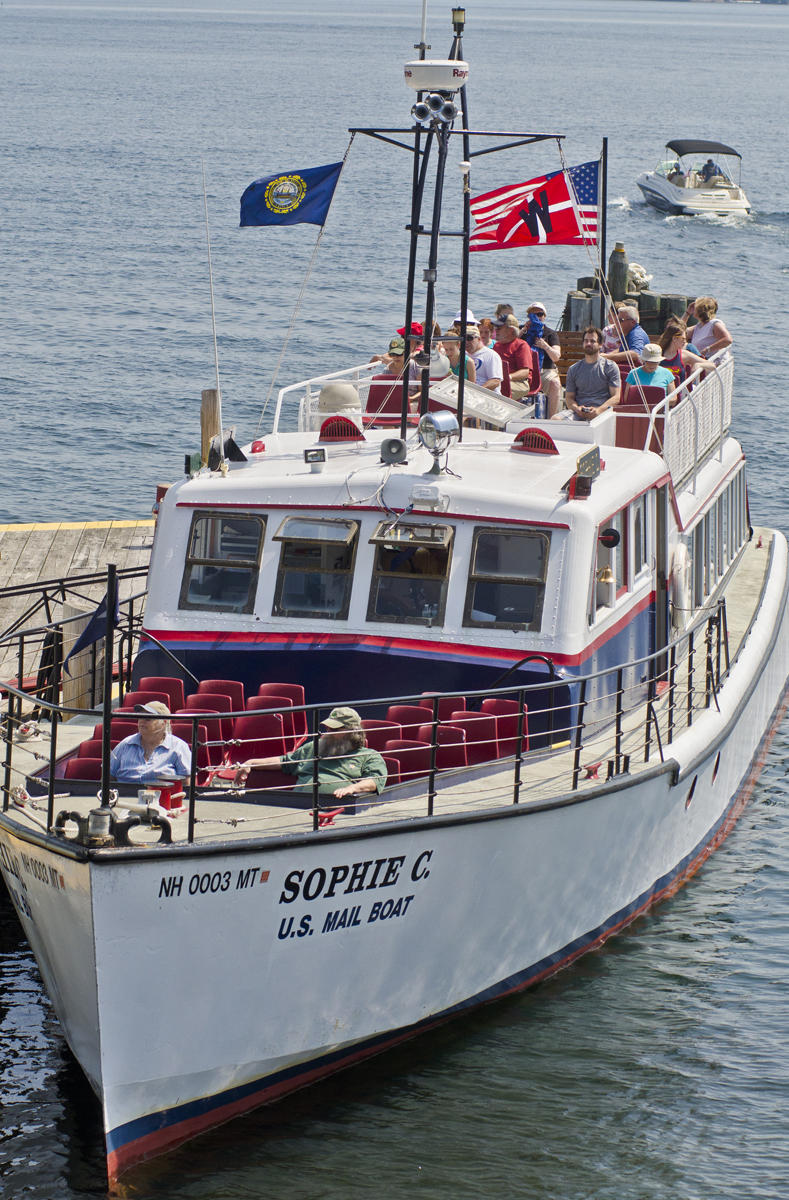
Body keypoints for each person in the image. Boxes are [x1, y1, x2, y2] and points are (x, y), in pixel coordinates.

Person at [234, 707, 387, 800]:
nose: (328, 733)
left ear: (352, 732)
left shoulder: (369, 755)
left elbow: (375, 781)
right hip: (296, 806)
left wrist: (351, 789)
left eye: (334, 730)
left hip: (336, 810)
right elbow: (285, 761)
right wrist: (251, 763)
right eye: (328, 729)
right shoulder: (315, 747)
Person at [110, 701, 192, 783]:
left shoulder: (179, 747)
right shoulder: (125, 744)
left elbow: (187, 784)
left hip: (163, 794)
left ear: (163, 723)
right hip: (124, 794)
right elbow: (108, 776)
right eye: (140, 717)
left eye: (148, 718)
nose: (142, 721)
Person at [563, 325, 621, 421]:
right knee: (556, 419)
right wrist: (577, 409)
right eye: (586, 341)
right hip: (578, 412)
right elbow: (569, 398)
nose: (588, 343)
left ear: (601, 344)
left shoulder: (610, 367)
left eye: (593, 341)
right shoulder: (573, 369)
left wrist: (598, 410)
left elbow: (616, 397)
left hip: (602, 412)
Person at [521, 301, 562, 416]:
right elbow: (511, 345)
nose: (537, 318)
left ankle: (551, 419)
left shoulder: (550, 334)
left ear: (544, 316)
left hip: (546, 371)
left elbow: (556, 357)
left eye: (539, 314)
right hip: (526, 371)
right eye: (533, 315)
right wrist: (523, 330)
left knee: (555, 384)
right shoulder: (523, 332)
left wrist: (545, 346)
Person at [658, 320, 713, 386]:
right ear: (674, 339)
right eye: (683, 339)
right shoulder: (658, 354)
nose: (685, 342)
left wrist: (699, 365)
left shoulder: (684, 354)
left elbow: (712, 365)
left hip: (680, 394)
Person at [492, 314, 534, 400]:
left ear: (510, 330)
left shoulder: (521, 345)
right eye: (496, 328)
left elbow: (525, 372)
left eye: (499, 328)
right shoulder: (496, 346)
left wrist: (507, 377)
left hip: (519, 382)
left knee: (498, 389)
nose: (496, 330)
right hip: (498, 380)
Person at [465, 325, 503, 391]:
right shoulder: (463, 354)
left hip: (486, 395)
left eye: (469, 338)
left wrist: (476, 391)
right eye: (463, 338)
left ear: (479, 339)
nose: (466, 342)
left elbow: (495, 381)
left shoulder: (491, 355)